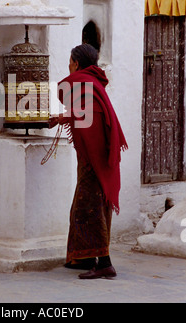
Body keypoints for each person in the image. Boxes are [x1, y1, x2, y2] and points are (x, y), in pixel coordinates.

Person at [49, 44, 128, 279]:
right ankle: (83, 258)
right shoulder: (92, 83)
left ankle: (105, 263)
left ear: (75, 62)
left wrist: (62, 118)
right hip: (96, 156)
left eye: (70, 60)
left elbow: (87, 115)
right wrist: (62, 118)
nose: (68, 65)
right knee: (82, 208)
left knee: (89, 209)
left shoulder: (81, 82)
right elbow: (85, 113)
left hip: (95, 159)